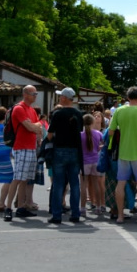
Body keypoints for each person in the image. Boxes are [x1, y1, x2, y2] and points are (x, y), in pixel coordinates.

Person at [107, 86, 137, 224]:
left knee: (120, 183)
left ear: (127, 97)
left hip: (123, 152)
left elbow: (110, 131)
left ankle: (120, 215)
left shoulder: (119, 111)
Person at [4, 85, 44, 222]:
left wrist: (35, 126)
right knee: (18, 178)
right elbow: (31, 127)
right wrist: (35, 126)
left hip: (30, 147)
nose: (36, 96)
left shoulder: (31, 110)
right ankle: (8, 208)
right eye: (34, 93)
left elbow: (39, 127)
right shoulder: (19, 108)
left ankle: (21, 206)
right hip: (21, 147)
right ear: (26, 94)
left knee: (25, 178)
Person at [47, 87, 84, 224]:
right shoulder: (78, 114)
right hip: (75, 150)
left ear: (63, 98)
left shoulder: (57, 114)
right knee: (74, 182)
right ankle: (75, 213)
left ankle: (57, 215)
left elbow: (50, 134)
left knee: (58, 183)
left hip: (60, 150)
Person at [80, 113, 104, 215]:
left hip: (84, 162)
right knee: (96, 185)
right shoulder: (98, 133)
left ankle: (83, 208)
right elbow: (103, 144)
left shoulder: (80, 135)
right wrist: (98, 148)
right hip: (95, 160)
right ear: (93, 122)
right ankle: (98, 206)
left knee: (83, 186)